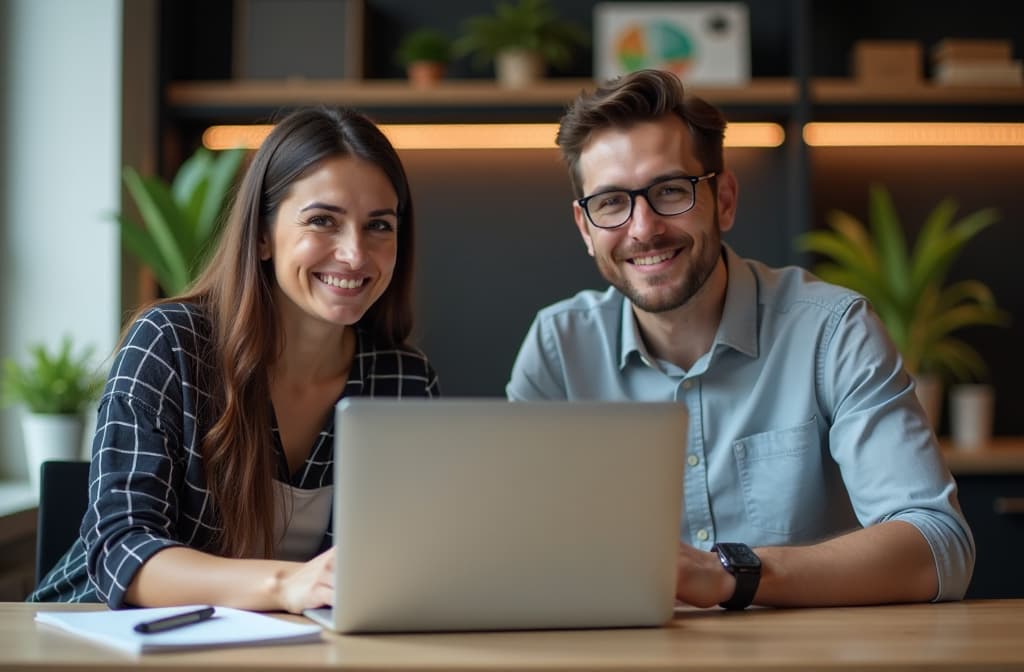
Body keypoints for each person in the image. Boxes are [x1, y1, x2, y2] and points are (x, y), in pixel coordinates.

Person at [506, 69, 974, 608]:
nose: (643, 228)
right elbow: (518, 550)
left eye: (670, 191)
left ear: (723, 199)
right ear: (586, 228)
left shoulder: (833, 330)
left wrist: (734, 574)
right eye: (611, 202)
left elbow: (940, 546)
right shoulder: (556, 348)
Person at [30, 107, 440, 612]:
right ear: (263, 235)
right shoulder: (170, 344)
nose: (355, 254)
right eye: (322, 221)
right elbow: (122, 552)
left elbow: (411, 564)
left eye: (379, 225)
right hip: (96, 639)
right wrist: (286, 586)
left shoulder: (403, 382)